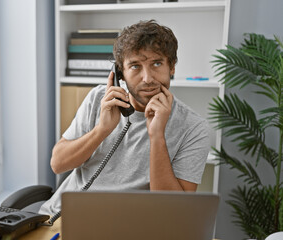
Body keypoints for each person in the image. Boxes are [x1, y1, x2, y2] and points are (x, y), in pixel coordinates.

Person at [39, 20, 210, 216]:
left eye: (156, 63)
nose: (147, 78)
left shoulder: (194, 128)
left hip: (127, 227)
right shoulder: (98, 98)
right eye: (135, 66)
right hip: (63, 217)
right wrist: (102, 130)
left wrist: (157, 136)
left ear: (171, 67)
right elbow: (58, 164)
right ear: (120, 73)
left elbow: (175, 211)